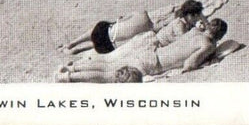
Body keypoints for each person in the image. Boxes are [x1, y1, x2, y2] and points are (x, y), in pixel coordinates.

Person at [56, 19, 227, 82]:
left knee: (111, 63)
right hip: (154, 63)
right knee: (108, 75)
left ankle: (74, 67)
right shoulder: (208, 45)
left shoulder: (195, 31)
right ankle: (68, 77)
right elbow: (190, 63)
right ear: (219, 36)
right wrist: (207, 60)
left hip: (151, 51)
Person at [65, 0, 209, 55]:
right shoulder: (177, 25)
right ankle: (78, 47)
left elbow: (122, 19)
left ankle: (75, 44)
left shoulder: (144, 17)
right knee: (118, 40)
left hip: (106, 33)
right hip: (108, 46)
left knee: (109, 33)